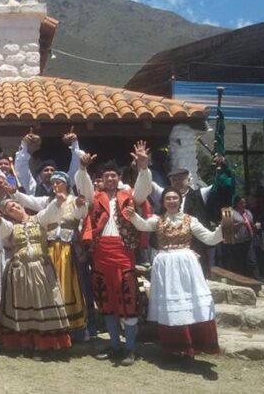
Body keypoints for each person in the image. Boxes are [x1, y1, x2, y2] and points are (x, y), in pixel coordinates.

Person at [75, 141, 153, 366]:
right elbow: (84, 188)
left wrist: (144, 167)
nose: (110, 179)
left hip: (123, 252)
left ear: (119, 177)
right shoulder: (95, 197)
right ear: (102, 178)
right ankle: (115, 345)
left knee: (127, 299)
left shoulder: (129, 195)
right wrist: (82, 169)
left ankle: (130, 348)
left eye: (113, 175)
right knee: (106, 299)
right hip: (100, 254)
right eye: (106, 176)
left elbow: (144, 190)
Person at [126, 188, 224, 360]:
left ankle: (192, 345)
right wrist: (133, 215)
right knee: (170, 305)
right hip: (165, 266)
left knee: (189, 301)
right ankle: (173, 347)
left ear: (180, 201)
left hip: (187, 265)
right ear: (163, 202)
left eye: (175, 198)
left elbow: (209, 238)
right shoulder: (157, 220)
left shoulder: (190, 220)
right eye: (168, 198)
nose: (171, 201)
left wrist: (224, 228)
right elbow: (141, 225)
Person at [0, 190, 83, 359]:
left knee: (46, 303)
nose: (14, 208)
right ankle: (28, 343)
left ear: (21, 205)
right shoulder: (12, 227)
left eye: (15, 205)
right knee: (26, 306)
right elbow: (3, 231)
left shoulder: (38, 219)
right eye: (10, 209)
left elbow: (50, 213)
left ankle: (48, 344)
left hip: (41, 269)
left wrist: (57, 202)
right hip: (21, 271)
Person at [10, 170, 91, 341]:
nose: (54, 185)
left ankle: (78, 330)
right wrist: (15, 193)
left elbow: (82, 214)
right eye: (53, 183)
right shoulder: (49, 202)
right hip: (52, 250)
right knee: (54, 289)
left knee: (73, 287)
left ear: (66, 184)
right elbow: (30, 201)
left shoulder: (75, 200)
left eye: (58, 182)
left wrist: (80, 205)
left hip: (70, 250)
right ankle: (57, 328)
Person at [225, 196, 262, 280]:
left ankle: (256, 282)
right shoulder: (229, 212)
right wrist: (240, 224)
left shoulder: (248, 212)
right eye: (241, 203)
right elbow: (226, 230)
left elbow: (251, 225)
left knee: (252, 261)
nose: (243, 205)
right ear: (236, 204)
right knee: (237, 264)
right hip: (236, 243)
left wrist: (256, 226)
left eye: (244, 203)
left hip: (248, 240)